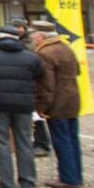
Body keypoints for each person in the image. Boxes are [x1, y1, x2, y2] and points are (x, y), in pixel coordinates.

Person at [0, 24, 41, 188]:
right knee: (25, 141)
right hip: (24, 105)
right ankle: (28, 182)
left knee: (1, 141)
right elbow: (38, 79)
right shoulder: (31, 57)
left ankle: (7, 181)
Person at [31, 27, 83, 188]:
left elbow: (46, 85)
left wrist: (41, 107)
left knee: (61, 141)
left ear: (41, 36)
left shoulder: (45, 53)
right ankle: (76, 175)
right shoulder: (66, 48)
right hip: (72, 100)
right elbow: (78, 71)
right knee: (73, 139)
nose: (32, 39)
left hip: (58, 104)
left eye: (34, 35)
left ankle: (68, 178)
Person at [28, 20, 55, 157]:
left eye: (34, 34)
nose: (32, 36)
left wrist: (42, 104)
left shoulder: (43, 53)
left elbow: (44, 79)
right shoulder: (63, 47)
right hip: (59, 98)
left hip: (48, 98)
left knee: (39, 120)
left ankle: (42, 144)